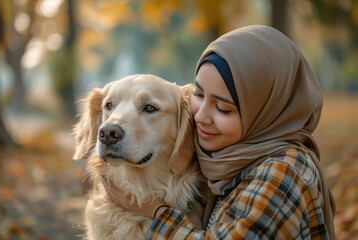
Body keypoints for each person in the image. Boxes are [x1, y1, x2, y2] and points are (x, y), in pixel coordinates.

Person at [103, 25, 336, 239]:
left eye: (223, 108)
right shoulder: (226, 158)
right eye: (199, 94)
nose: (201, 116)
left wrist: (154, 211)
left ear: (263, 112)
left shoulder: (283, 173)